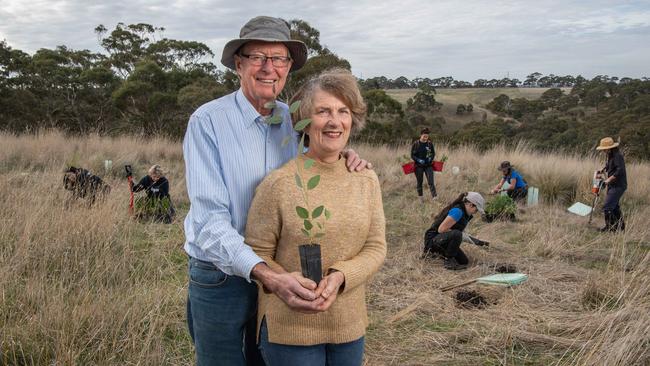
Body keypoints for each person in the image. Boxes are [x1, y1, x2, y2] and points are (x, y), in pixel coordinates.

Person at [182, 16, 370, 366]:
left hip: (284, 272)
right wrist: (264, 273)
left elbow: (319, 162)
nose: (269, 68)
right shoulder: (207, 122)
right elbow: (209, 220)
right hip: (223, 275)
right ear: (239, 64)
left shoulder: (295, 120)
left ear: (288, 67)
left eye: (279, 58)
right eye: (258, 57)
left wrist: (346, 157)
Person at [245, 69, 387, 366]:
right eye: (323, 111)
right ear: (305, 122)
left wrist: (341, 276)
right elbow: (256, 253)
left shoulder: (365, 178)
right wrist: (284, 281)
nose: (335, 121)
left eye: (343, 111)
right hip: (290, 331)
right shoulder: (279, 183)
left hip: (349, 326)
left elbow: (376, 247)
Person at [422, 192, 489, 270]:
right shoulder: (458, 211)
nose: (476, 212)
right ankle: (448, 261)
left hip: (442, 240)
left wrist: (479, 242)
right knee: (457, 234)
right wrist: (463, 236)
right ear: (471, 204)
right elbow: (441, 230)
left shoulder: (466, 214)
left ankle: (437, 254)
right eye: (476, 209)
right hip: (433, 240)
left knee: (464, 261)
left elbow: (459, 233)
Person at [596, 137, 627, 232]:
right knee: (614, 206)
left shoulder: (618, 156)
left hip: (618, 185)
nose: (603, 151)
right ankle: (620, 228)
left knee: (608, 207)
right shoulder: (610, 156)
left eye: (604, 149)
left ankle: (610, 228)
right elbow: (610, 165)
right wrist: (603, 169)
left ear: (610, 148)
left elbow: (619, 171)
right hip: (612, 185)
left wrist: (608, 180)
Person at [411, 128, 437, 201]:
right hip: (418, 166)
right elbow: (412, 155)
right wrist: (418, 160)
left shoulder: (429, 143)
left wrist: (430, 158)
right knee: (420, 182)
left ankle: (434, 197)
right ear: (421, 135)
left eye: (427, 136)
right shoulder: (416, 144)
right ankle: (421, 198)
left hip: (428, 165)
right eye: (424, 136)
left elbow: (433, 153)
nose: (426, 138)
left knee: (431, 181)